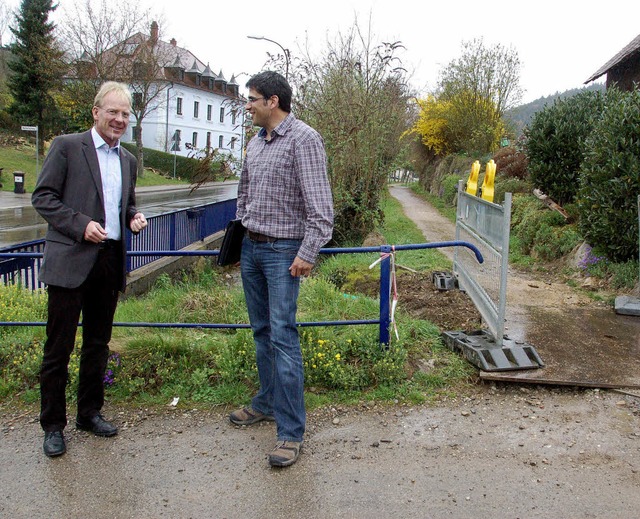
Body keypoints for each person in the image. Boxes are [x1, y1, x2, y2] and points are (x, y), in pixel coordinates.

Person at [32, 81, 148, 458]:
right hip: (70, 261)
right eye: (112, 111)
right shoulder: (67, 146)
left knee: (97, 345)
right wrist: (80, 223)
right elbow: (43, 198)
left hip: (110, 261)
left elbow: (124, 205)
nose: (119, 119)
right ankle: (53, 425)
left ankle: (89, 413)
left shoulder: (128, 160)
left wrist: (133, 217)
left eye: (125, 114)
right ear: (96, 112)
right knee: (59, 348)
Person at [230, 71, 334, 467]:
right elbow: (244, 191)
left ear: (273, 101)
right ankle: (267, 401)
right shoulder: (256, 142)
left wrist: (307, 253)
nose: (248, 105)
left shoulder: (304, 140)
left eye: (252, 99)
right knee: (261, 332)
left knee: (283, 338)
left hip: (284, 253)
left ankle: (290, 433)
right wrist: (241, 235)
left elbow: (321, 210)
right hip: (253, 250)